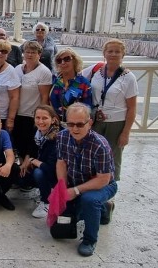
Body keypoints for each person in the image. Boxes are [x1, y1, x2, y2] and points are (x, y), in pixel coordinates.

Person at [56, 103, 117, 257]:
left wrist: (75, 191)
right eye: (70, 124)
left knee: (89, 200)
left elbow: (104, 179)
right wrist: (62, 186)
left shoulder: (100, 145)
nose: (74, 129)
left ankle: (90, 240)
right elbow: (61, 162)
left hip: (103, 185)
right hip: (75, 180)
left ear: (89, 122)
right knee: (58, 231)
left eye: (79, 124)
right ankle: (103, 209)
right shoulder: (62, 136)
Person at [83, 39, 138, 181]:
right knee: (92, 153)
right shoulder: (95, 71)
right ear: (104, 54)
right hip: (95, 120)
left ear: (123, 55)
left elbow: (132, 107)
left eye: (117, 52)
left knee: (113, 156)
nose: (113, 54)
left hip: (116, 123)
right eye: (110, 51)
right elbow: (76, 76)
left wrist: (126, 133)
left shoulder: (128, 78)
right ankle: (93, 184)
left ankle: (110, 188)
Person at [13, 41, 53, 165]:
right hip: (16, 113)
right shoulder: (17, 69)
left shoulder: (44, 72)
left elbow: (44, 97)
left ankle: (28, 174)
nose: (29, 55)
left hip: (31, 116)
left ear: (39, 54)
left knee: (30, 147)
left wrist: (40, 118)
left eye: (33, 52)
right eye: (27, 52)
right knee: (18, 144)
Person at [20, 105, 61, 218]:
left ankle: (47, 201)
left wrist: (33, 161)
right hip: (40, 164)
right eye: (37, 117)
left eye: (44, 118)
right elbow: (30, 146)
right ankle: (42, 189)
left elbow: (51, 168)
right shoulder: (37, 131)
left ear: (53, 120)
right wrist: (26, 160)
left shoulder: (56, 138)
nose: (40, 121)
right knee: (19, 176)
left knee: (39, 173)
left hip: (55, 174)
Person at [51, 48, 93, 122]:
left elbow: (87, 108)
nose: (63, 62)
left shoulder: (83, 83)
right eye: (59, 61)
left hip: (75, 124)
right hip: (55, 123)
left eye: (67, 59)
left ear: (75, 60)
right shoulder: (55, 81)